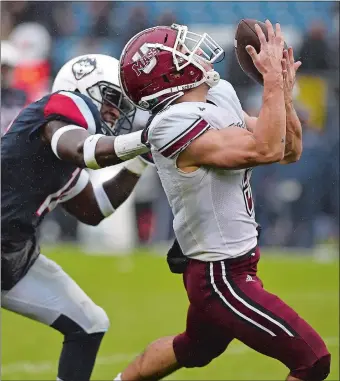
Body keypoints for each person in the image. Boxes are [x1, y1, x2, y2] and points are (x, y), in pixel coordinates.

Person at [116, 22, 330, 381]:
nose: (196, 52)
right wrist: (272, 84)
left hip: (235, 262)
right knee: (313, 362)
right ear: (169, 74)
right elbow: (264, 148)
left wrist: (284, 92)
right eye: (184, 50)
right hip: (219, 275)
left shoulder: (218, 95)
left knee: (193, 349)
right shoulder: (170, 124)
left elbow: (288, 150)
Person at [1, 53, 151, 381]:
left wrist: (141, 160)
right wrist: (142, 140)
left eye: (122, 104)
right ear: (82, 86)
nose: (116, 110)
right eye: (112, 97)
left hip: (12, 255)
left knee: (90, 323)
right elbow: (85, 151)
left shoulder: (64, 155)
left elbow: (94, 209)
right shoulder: (64, 104)